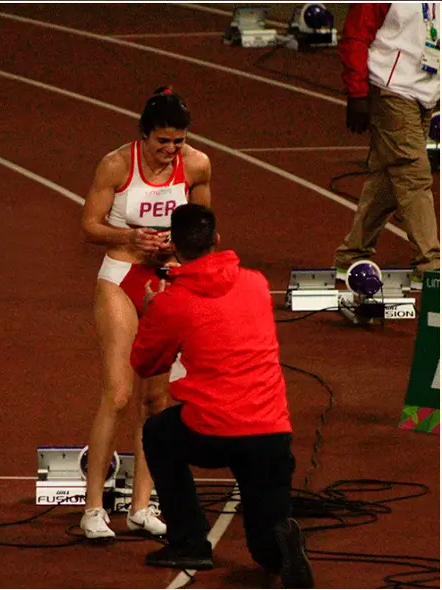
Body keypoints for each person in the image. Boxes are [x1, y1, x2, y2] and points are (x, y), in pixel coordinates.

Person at [131, 204, 314, 588]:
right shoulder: (257, 283)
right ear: (217, 239)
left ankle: (189, 541)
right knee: (264, 548)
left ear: (175, 248)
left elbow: (146, 364)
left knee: (158, 434)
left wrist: (151, 313)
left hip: (212, 430)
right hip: (271, 431)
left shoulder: (172, 302)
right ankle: (284, 549)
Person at [79, 86, 212, 539]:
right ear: (144, 135)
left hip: (168, 284)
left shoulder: (197, 165)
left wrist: (179, 246)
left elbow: (203, 229)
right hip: (121, 278)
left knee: (156, 401)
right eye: (162, 142)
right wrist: (129, 238)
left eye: (178, 141)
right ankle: (93, 507)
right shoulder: (117, 164)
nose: (170, 151)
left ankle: (142, 504)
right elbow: (89, 226)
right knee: (118, 393)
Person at [334, 2, 441, 287]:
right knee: (413, 174)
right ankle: (430, 265)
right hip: (391, 90)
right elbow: (355, 37)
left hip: (424, 93)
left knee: (387, 181)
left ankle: (351, 255)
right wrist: (357, 92)